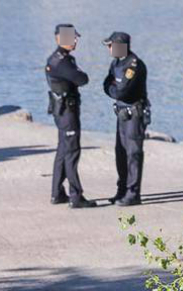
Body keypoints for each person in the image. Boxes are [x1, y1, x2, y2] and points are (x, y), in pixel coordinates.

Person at [46, 23, 96, 209]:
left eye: (75, 37)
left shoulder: (58, 59)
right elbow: (82, 79)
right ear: (58, 39)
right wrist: (79, 74)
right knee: (72, 152)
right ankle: (76, 196)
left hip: (62, 110)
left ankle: (57, 193)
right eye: (70, 37)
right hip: (67, 112)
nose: (74, 41)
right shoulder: (62, 62)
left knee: (62, 151)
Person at [102, 31, 148, 207]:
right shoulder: (116, 63)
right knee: (120, 153)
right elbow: (106, 85)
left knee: (133, 154)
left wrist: (115, 90)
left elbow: (123, 91)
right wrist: (114, 89)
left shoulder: (134, 65)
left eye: (110, 45)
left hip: (134, 115)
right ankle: (122, 190)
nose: (108, 48)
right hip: (121, 114)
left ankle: (133, 193)